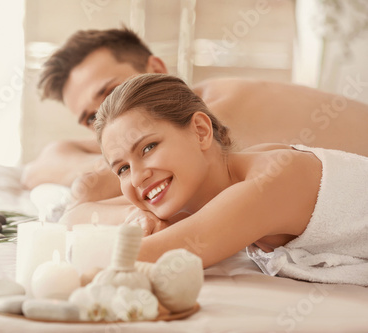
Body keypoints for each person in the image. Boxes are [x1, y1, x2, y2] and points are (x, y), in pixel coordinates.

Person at [21, 27, 368, 206]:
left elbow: (94, 188)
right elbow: (37, 167)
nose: (105, 118)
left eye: (110, 91)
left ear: (155, 69)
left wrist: (104, 172)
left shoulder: (211, 112)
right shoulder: (162, 128)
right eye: (90, 118)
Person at [93, 73, 368, 285]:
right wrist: (140, 217)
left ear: (200, 131)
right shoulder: (210, 188)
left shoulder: (270, 180)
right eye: (122, 169)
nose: (139, 176)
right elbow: (75, 214)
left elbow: (146, 255)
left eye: (149, 147)